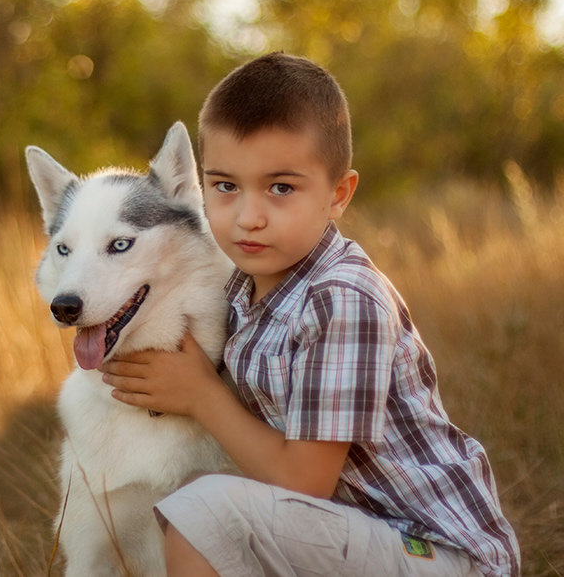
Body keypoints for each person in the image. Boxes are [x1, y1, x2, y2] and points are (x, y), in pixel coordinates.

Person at [101, 52, 520, 576]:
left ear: (338, 194)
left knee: (203, 511)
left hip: (437, 554)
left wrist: (200, 395)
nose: (248, 217)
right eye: (225, 186)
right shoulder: (239, 289)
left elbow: (304, 483)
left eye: (281, 188)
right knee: (201, 502)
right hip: (352, 536)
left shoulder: (342, 297)